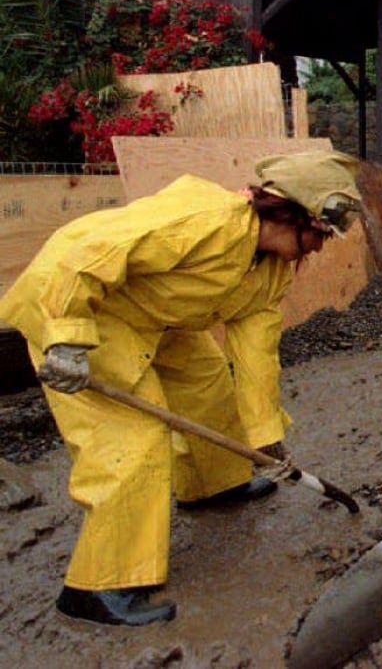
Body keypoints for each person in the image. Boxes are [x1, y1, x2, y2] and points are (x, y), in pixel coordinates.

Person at [0, 150, 361, 626]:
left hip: (160, 318)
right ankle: (99, 584)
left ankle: (215, 484)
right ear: (290, 213)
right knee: (131, 443)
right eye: (319, 233)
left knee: (209, 387)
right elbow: (80, 254)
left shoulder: (271, 268)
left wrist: (264, 433)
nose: (320, 247)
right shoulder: (203, 221)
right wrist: (64, 336)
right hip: (89, 314)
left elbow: (255, 351)